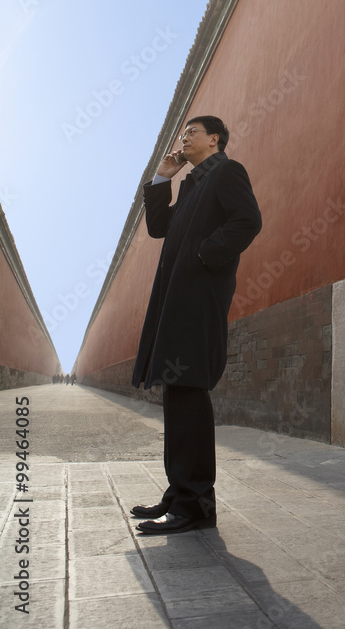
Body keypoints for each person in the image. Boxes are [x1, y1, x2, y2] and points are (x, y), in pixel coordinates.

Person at [131, 115, 262, 534]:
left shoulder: (227, 170)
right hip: (177, 300)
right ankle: (179, 494)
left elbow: (248, 221)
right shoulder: (191, 184)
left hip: (198, 300)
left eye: (192, 132)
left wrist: (204, 258)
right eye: (182, 132)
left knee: (188, 391)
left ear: (215, 139)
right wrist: (160, 179)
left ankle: (196, 505)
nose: (184, 138)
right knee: (178, 393)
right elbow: (157, 228)